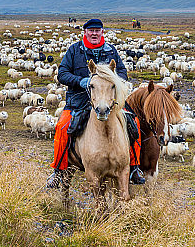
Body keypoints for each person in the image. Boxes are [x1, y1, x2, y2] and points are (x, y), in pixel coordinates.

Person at [46, 18, 145, 188]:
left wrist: (110, 82)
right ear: (85, 32)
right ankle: (58, 170)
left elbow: (122, 72)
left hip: (107, 100)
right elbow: (62, 74)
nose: (94, 34)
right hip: (79, 100)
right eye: (90, 31)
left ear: (102, 32)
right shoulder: (75, 51)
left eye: (97, 31)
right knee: (62, 127)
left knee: (133, 122)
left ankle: (134, 167)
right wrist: (80, 81)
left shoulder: (110, 51)